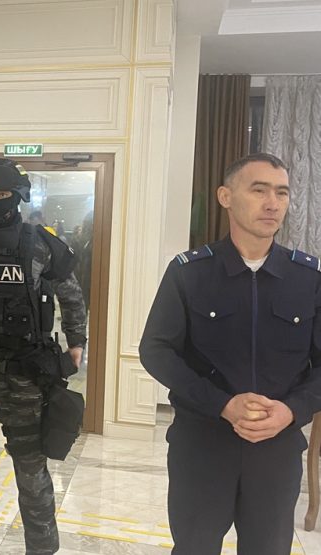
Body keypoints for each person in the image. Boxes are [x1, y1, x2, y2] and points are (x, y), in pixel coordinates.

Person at [140, 152, 321, 555]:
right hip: (202, 445)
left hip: (276, 450)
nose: (272, 203)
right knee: (195, 548)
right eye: (259, 190)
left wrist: (292, 410)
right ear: (225, 196)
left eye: (281, 193)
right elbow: (156, 350)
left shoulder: (307, 278)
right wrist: (222, 404)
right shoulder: (190, 272)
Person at [0, 158, 87, 555]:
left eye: (2, 193)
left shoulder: (39, 242)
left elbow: (71, 295)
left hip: (24, 377)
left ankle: (41, 548)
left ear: (17, 196)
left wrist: (77, 342)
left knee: (31, 469)